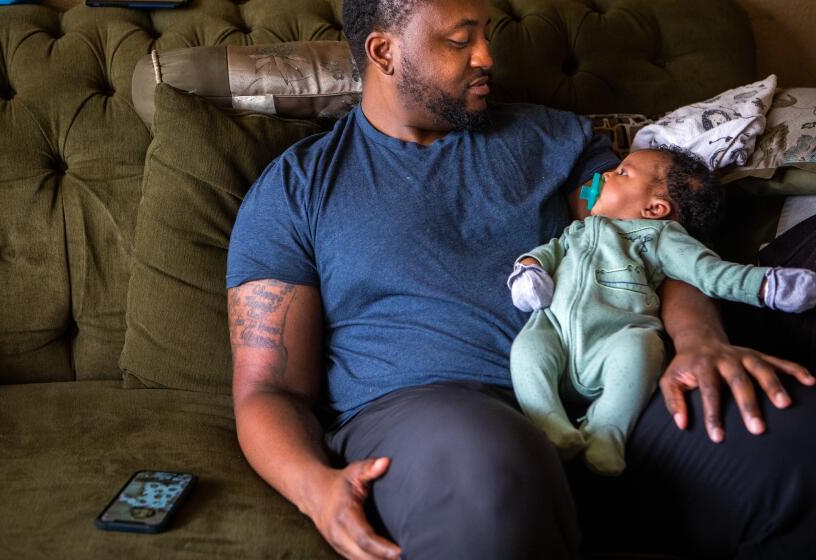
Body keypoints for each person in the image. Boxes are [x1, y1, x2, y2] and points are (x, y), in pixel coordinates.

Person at [225, 0, 816, 558]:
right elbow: (267, 391)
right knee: (492, 466)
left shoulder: (551, 140)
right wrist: (316, 490)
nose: (487, 56)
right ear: (384, 53)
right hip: (433, 413)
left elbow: (648, 239)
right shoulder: (297, 190)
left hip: (606, 390)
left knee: (791, 442)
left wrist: (699, 342)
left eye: (487, 34)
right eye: (461, 41)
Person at [507, 147, 816, 475]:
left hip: (616, 340)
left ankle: (607, 432)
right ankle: (550, 427)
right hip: (554, 329)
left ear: (655, 208)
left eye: (623, 173)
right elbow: (548, 253)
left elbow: (707, 272)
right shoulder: (577, 231)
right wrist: (529, 270)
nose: (607, 175)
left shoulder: (659, 237)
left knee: (642, 349)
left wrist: (766, 285)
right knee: (527, 348)